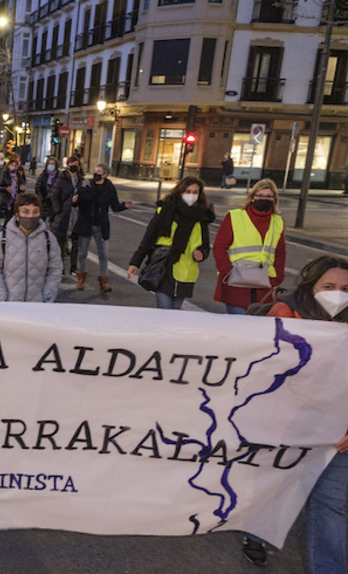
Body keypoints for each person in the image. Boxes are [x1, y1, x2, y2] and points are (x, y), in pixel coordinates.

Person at [240, 255, 348, 569]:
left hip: (336, 433)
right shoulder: (285, 313)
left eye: (345, 287)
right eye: (329, 286)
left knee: (331, 505)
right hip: (286, 425)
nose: (338, 293)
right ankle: (256, 534)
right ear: (311, 286)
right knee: (276, 486)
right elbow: (265, 374)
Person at [126, 177, 216, 309]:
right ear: (179, 192)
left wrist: (202, 253)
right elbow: (148, 238)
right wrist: (135, 262)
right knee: (164, 309)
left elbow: (205, 245)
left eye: (195, 192)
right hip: (164, 266)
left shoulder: (201, 217)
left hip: (186, 271)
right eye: (187, 191)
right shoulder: (165, 211)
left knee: (175, 312)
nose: (191, 195)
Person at [213, 179, 286, 314]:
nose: (264, 199)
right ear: (252, 198)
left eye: (269, 196)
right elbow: (219, 246)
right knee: (238, 327)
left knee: (257, 329)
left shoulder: (277, 221)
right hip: (237, 283)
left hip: (264, 283)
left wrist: (278, 277)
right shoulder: (235, 216)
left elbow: (280, 252)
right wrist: (226, 271)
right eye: (260, 195)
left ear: (274, 199)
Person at [0, 192, 63, 302]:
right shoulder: (3, 238)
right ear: (17, 215)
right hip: (10, 306)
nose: (31, 216)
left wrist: (48, 296)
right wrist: (2, 297)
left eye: (35, 212)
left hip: (39, 306)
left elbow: (55, 270)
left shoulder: (48, 239)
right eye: (25, 212)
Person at [72, 163, 133, 292]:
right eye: (95, 171)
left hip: (101, 225)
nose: (96, 173)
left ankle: (104, 282)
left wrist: (124, 206)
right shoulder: (86, 184)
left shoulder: (109, 187)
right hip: (86, 223)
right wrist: (75, 200)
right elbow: (78, 201)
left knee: (103, 254)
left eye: (99, 171)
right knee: (82, 253)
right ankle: (81, 278)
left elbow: (114, 206)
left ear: (105, 174)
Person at [50, 155, 84, 277]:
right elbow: (54, 195)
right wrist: (58, 210)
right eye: (71, 163)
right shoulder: (61, 179)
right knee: (61, 242)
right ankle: (61, 266)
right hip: (64, 214)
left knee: (76, 243)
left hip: (77, 214)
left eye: (76, 163)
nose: (74, 165)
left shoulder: (82, 180)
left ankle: (74, 267)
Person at [0, 157, 26, 223]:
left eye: (15, 166)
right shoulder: (4, 174)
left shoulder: (18, 175)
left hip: (16, 200)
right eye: (12, 165)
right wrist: (6, 188)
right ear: (8, 165)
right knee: (7, 220)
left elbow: (22, 184)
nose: (13, 167)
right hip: (6, 200)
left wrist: (21, 188)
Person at [35, 157, 59, 225]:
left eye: (53, 164)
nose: (51, 165)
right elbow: (38, 187)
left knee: (54, 223)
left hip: (54, 203)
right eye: (50, 164)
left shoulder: (59, 176)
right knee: (41, 222)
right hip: (44, 202)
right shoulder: (43, 176)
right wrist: (40, 198)